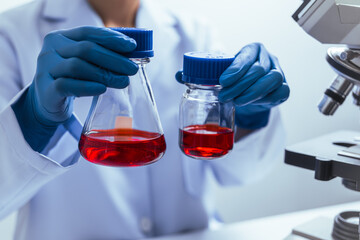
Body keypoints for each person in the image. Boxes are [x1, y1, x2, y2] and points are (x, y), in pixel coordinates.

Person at [0, 0, 290, 239]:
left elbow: (239, 174)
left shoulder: (195, 32)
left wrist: (250, 116)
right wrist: (30, 120)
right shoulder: (11, 34)